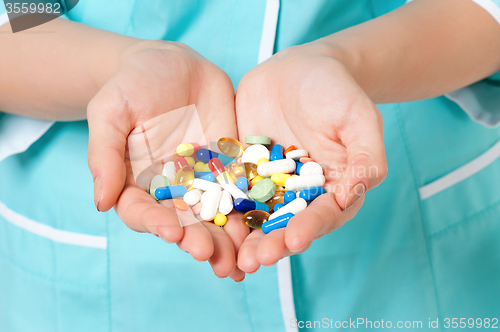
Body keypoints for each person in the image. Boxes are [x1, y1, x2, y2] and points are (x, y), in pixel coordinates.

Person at [1, 0, 499, 331]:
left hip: (409, 233)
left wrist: (347, 60)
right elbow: (15, 16)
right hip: (89, 264)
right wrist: (121, 65)